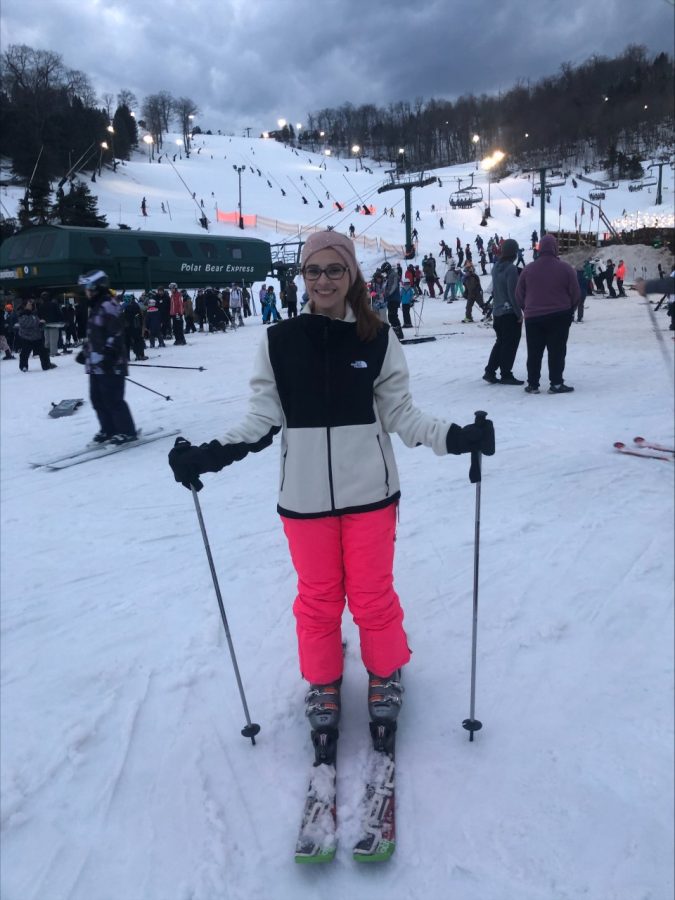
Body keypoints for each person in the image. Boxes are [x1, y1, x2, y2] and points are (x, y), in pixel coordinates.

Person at [168, 229, 495, 760]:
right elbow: (261, 418)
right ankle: (323, 681)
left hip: (371, 496)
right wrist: (209, 453)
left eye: (334, 270)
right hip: (304, 502)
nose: (323, 280)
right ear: (303, 277)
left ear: (351, 277)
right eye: (313, 271)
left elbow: (400, 415)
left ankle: (385, 673)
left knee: (372, 596)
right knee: (317, 600)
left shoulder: (378, 337)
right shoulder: (278, 341)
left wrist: (456, 438)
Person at [75, 270, 137, 443]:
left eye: (88, 288)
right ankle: (108, 430)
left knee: (113, 400)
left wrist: (109, 355)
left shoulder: (109, 305)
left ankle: (127, 431)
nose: (86, 292)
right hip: (96, 365)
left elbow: (116, 333)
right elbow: (95, 335)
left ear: (97, 288)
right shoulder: (95, 307)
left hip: (111, 363)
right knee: (97, 399)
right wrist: (85, 352)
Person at [515, 234, 580, 394]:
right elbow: (576, 293)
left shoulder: (528, 269)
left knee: (534, 352)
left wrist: (527, 308)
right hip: (559, 316)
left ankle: (533, 384)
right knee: (557, 351)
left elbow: (518, 294)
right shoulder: (566, 268)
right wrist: (570, 310)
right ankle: (556, 384)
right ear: (555, 248)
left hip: (533, 318)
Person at [483, 239, 523, 385]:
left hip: (497, 312)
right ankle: (506, 373)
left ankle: (490, 371)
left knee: (500, 342)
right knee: (510, 344)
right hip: (509, 313)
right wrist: (519, 313)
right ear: (514, 252)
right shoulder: (511, 269)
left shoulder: (496, 267)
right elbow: (512, 293)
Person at [17, 300, 56, 371]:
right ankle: (23, 366)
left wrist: (42, 324)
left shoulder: (34, 314)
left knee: (43, 352)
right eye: (29, 304)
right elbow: (26, 323)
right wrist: (38, 322)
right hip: (26, 337)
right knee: (24, 353)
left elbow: (38, 325)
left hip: (36, 337)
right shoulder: (21, 314)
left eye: (31, 304)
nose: (31, 305)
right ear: (25, 306)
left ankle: (46, 365)